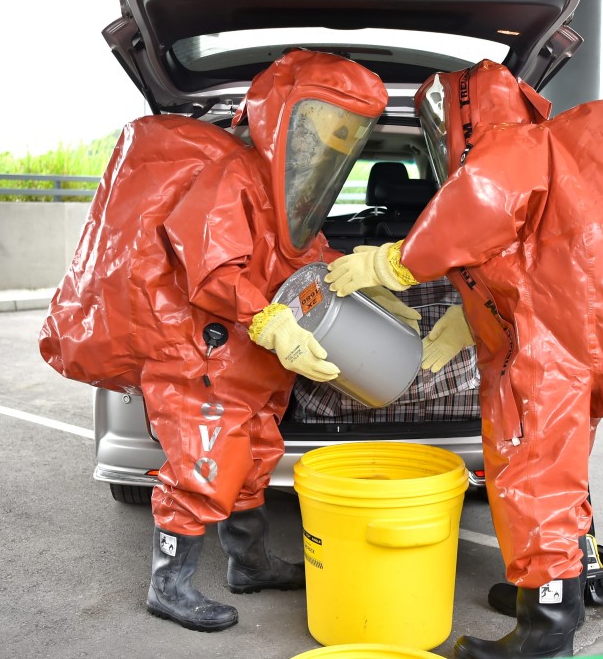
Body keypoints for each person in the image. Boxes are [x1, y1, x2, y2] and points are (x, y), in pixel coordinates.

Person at [325, 60, 603, 658]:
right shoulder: (550, 152)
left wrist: (388, 262)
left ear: (467, 112)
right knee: (560, 471)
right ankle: (555, 593)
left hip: (545, 350)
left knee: (533, 474)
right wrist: (466, 314)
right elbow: (525, 260)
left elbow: (475, 209)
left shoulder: (506, 147)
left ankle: (543, 633)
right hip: (571, 339)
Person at [40, 49, 400, 632]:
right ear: (285, 118)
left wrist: (358, 278)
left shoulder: (290, 195)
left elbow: (302, 254)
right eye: (323, 125)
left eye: (345, 131)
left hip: (252, 363)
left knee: (254, 459)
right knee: (204, 463)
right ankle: (170, 585)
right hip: (205, 357)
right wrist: (271, 320)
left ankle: (249, 563)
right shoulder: (235, 176)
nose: (331, 143)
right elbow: (210, 269)